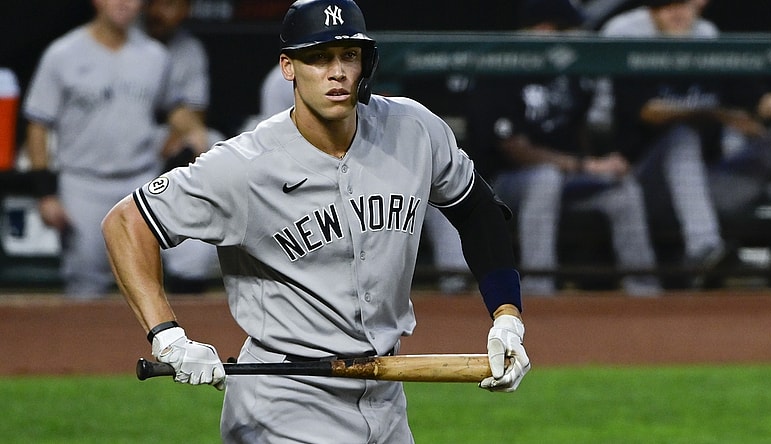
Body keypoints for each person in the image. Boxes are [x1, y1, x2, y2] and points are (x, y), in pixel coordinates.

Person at [101, 0, 531, 442]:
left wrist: (506, 318)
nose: (337, 71)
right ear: (288, 68)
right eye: (318, 57)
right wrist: (167, 336)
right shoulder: (246, 166)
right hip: (285, 402)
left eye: (349, 55)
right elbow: (127, 222)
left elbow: (478, 209)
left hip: (386, 397)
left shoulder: (413, 130)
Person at [467, 0, 662, 297]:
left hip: (565, 178)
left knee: (622, 190)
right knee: (545, 177)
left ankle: (645, 289)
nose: (578, 36)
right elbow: (514, 149)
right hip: (503, 187)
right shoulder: (502, 65)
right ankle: (538, 288)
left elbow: (580, 129)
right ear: (545, 29)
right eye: (571, 29)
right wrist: (584, 166)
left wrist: (598, 164)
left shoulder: (571, 68)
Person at [21, 0, 207, 298]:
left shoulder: (154, 55)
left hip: (141, 180)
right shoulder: (63, 54)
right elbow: (38, 124)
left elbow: (172, 107)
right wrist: (45, 192)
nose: (123, 3)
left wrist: (194, 130)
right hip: (83, 184)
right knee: (86, 286)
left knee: (189, 258)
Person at [600, 0, 771, 285]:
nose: (677, 13)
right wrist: (717, 114)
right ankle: (704, 248)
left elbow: (752, 95)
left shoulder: (705, 34)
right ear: (651, 9)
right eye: (667, 6)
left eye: (684, 5)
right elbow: (644, 110)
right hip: (644, 186)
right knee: (682, 135)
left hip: (708, 184)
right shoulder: (626, 31)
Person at [142, 0, 222, 293]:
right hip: (116, 154)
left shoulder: (188, 50)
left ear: (185, 11)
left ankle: (189, 266)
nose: (160, 12)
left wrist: (181, 134)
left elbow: (194, 115)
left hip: (160, 154)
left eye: (171, 5)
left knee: (209, 140)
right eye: (155, 3)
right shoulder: (130, 45)